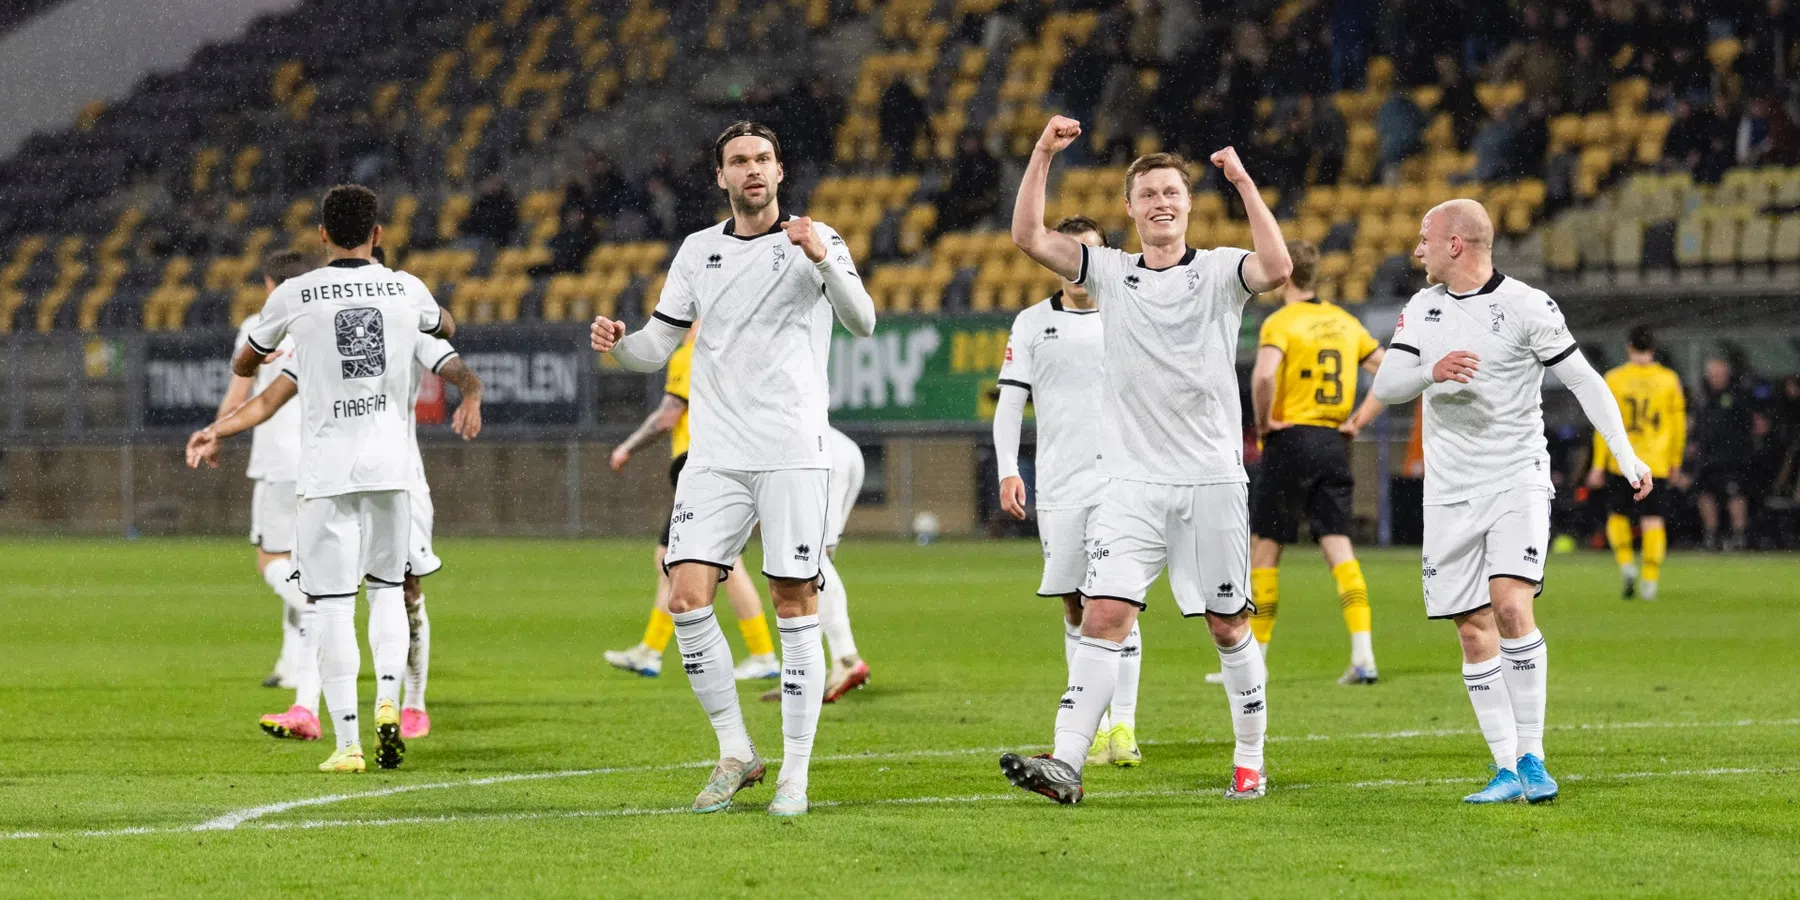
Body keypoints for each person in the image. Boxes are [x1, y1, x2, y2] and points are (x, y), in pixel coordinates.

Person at [997, 115, 1294, 805]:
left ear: (1188, 204)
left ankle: (1250, 758)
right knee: (1103, 616)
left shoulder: (1220, 270)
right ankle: (1067, 761)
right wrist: (1042, 152)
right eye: (1148, 194)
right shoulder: (1109, 271)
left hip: (1211, 479)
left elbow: (1278, 268)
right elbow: (1028, 236)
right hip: (1130, 483)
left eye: (1171, 192)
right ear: (1129, 208)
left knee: (1228, 625)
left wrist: (1243, 182)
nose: (1161, 202)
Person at [588, 122, 875, 816]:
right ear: (721, 176)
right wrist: (621, 346)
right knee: (686, 596)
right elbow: (657, 344)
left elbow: (863, 320)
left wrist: (822, 259)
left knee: (793, 603)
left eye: (763, 159)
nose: (753, 169)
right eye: (739, 160)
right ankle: (737, 751)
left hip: (791, 452)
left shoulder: (815, 237)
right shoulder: (698, 250)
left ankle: (795, 775)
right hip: (714, 456)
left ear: (780, 171)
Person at [1371, 199, 1651, 804]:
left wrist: (1625, 454)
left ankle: (1533, 756)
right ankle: (1504, 769)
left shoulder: (1527, 306)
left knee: (1510, 606)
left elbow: (1585, 380)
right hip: (1448, 491)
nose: (1416, 250)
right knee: (1473, 632)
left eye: (1425, 238)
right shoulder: (1422, 308)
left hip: (1514, 477)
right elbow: (1387, 385)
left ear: (1455, 244)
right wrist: (1431, 371)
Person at [192, 184, 456, 773]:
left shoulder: (295, 293)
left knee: (333, 605)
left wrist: (256, 358)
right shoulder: (405, 286)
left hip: (326, 471)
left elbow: (247, 362)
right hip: (391, 468)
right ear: (378, 234)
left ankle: (349, 744)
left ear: (322, 235)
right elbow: (447, 326)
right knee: (387, 591)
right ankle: (389, 699)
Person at [203, 304, 485, 744]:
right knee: (321, 592)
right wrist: (219, 430)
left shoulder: (404, 312)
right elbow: (269, 398)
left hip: (397, 480)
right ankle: (307, 707)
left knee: (403, 590)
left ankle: (411, 703)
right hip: (332, 482)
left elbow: (453, 359)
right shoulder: (323, 325)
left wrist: (471, 394)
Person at [992, 215, 1143, 768]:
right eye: (1068, 250)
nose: (1078, 263)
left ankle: (1122, 727)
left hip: (1123, 481)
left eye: (1089, 252)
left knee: (1118, 602)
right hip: (1060, 484)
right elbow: (1011, 403)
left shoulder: (1130, 311)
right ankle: (1094, 727)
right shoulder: (1032, 323)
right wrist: (1008, 469)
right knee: (1076, 605)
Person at [1230, 239, 1388, 685]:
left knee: (1265, 548)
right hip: (1333, 441)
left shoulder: (1281, 322)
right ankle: (1363, 656)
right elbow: (1391, 371)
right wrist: (1359, 418)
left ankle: (1255, 663)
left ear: (1282, 275)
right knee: (1338, 546)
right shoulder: (1345, 322)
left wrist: (1264, 423)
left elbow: (1264, 375)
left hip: (1289, 439)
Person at [604, 324, 782, 682]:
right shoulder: (735, 358)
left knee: (722, 566)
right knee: (674, 560)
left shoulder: (691, 354)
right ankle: (651, 651)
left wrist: (628, 447)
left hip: (700, 467)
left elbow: (668, 414)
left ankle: (761, 654)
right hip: (729, 461)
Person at [216, 250, 314, 696]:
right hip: (321, 462)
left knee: (272, 563)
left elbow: (238, 394)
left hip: (278, 462)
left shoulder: (259, 325)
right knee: (299, 566)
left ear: (272, 285)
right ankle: (292, 665)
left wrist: (216, 433)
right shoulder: (320, 324)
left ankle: (319, 614)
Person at [763, 424, 871, 704]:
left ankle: (845, 659)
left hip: (816, 453)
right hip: (833, 446)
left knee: (812, 562)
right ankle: (806, 672)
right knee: (816, 563)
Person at [1585, 325, 1686, 600]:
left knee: (1617, 515)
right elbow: (1678, 426)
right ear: (1653, 347)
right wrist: (1675, 461)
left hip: (1623, 459)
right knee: (1653, 520)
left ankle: (1627, 565)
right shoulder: (1669, 380)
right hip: (1656, 462)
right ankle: (1650, 581)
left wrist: (1598, 464)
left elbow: (1603, 424)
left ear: (1629, 346)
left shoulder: (1614, 379)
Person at [1693, 356, 1754, 551]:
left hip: (1732, 458)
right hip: (1708, 458)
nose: (1716, 377)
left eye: (1719, 373)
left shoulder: (1738, 395)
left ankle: (1739, 535)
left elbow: (1748, 424)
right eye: (1713, 374)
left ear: (1727, 374)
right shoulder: (1702, 396)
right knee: (1705, 494)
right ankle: (1711, 535)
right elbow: (1699, 424)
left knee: (1735, 493)